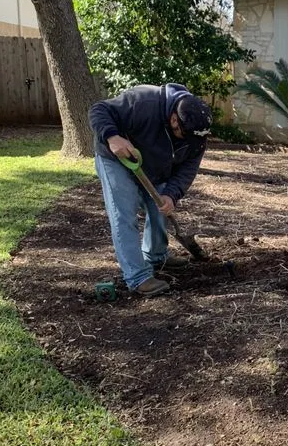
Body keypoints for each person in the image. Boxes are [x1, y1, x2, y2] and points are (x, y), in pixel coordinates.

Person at [89, 82, 213, 297]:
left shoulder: (196, 137)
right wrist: (112, 137)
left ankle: (156, 256)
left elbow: (187, 170)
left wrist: (171, 194)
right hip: (117, 159)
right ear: (174, 119)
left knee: (160, 207)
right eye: (185, 135)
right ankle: (137, 277)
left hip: (154, 165)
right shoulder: (144, 101)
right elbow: (99, 109)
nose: (193, 142)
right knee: (124, 213)